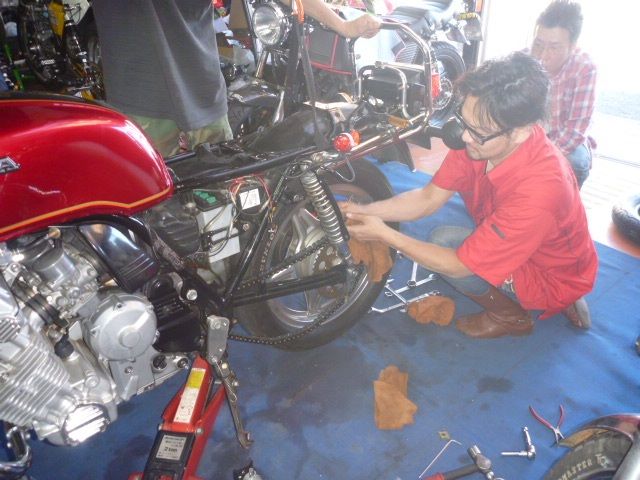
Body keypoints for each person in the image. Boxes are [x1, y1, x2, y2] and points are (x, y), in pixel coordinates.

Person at [341, 51, 598, 339]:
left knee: (444, 243)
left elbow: (458, 265)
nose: (464, 137)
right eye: (464, 121)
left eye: (478, 131)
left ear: (521, 132)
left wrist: (384, 234)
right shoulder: (480, 137)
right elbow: (428, 198)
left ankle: (511, 316)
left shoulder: (541, 190)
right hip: (520, 237)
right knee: (452, 240)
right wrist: (365, 211)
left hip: (550, 272)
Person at [91, 0, 380, 157]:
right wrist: (343, 26)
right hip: (143, 101)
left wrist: (343, 25)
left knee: (221, 196)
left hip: (199, 92)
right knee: (153, 208)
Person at [531, 0, 596, 189]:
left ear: (573, 46)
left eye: (554, 47)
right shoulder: (525, 59)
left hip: (566, 139)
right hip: (530, 134)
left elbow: (575, 131)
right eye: (538, 44)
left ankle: (566, 201)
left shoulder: (584, 69)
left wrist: (537, 158)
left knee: (575, 163)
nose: (542, 55)